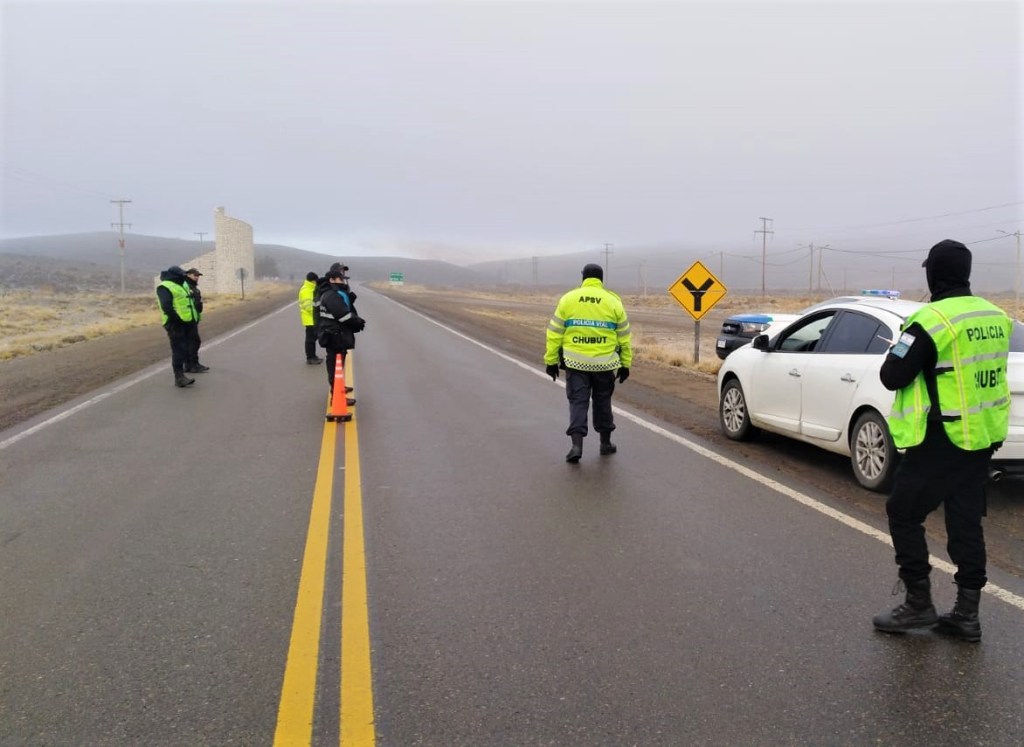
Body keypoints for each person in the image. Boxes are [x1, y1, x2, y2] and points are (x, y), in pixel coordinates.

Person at [872, 239, 1011, 642]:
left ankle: (918, 603)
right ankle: (967, 614)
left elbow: (892, 376)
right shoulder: (996, 316)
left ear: (934, 274)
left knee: (903, 511)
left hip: (941, 437)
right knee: (966, 522)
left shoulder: (931, 322)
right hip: (981, 436)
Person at [544, 263, 632, 462]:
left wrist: (551, 361)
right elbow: (624, 337)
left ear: (583, 277)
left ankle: (576, 446)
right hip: (604, 364)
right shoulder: (613, 301)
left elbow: (554, 333)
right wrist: (626, 364)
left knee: (578, 402)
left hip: (575, 363)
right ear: (601, 279)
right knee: (603, 402)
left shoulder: (569, 299)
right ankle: (605, 444)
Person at [316, 268, 364, 399]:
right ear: (332, 279)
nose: (343, 281)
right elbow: (343, 315)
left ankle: (338, 391)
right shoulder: (331, 295)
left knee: (337, 365)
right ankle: (336, 396)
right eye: (340, 279)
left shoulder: (333, 293)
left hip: (335, 334)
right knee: (335, 366)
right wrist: (357, 322)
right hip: (334, 335)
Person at [156, 265, 199, 388]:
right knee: (178, 349)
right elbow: (166, 306)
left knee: (186, 347)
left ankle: (188, 368)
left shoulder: (181, 285)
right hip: (174, 323)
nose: (183, 277)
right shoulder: (164, 287)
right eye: (181, 275)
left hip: (187, 322)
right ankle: (179, 377)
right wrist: (176, 320)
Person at [183, 268, 209, 373]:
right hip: (187, 318)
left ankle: (189, 365)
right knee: (193, 342)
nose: (197, 277)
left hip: (193, 318)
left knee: (191, 342)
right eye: (195, 275)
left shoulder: (194, 288)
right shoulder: (185, 287)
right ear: (188, 275)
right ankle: (193, 364)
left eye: (198, 275)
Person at [298, 271, 322, 365]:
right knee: (310, 340)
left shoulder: (310, 288)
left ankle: (313, 356)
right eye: (315, 281)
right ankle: (310, 357)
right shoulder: (307, 290)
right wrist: (318, 312)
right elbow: (308, 306)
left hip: (312, 318)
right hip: (310, 319)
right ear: (312, 281)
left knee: (312, 339)